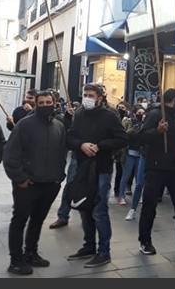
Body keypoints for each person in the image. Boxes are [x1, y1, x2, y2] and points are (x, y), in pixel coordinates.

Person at [3, 90, 68, 275]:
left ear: (55, 103)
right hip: (28, 184)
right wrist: (20, 179)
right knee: (20, 220)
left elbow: (62, 152)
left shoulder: (58, 125)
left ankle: (31, 253)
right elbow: (10, 155)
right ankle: (16, 260)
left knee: (38, 220)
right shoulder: (24, 125)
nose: (46, 105)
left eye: (49, 102)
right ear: (36, 104)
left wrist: (59, 176)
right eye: (42, 102)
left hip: (50, 183)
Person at [65, 82, 129, 268]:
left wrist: (100, 145)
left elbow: (122, 139)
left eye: (91, 95)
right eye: (85, 94)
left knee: (99, 210)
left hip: (102, 168)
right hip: (83, 167)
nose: (87, 98)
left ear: (100, 97)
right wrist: (81, 145)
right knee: (85, 208)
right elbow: (70, 137)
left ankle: (104, 251)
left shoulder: (110, 116)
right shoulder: (79, 114)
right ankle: (89, 245)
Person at [134, 88, 175, 256]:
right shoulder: (155, 114)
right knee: (150, 205)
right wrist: (157, 131)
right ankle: (144, 240)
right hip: (157, 167)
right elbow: (141, 137)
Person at [122, 104, 147, 221]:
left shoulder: (147, 125)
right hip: (135, 153)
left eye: (143, 113)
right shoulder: (131, 122)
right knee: (133, 180)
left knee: (141, 181)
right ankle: (131, 207)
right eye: (139, 113)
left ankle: (148, 207)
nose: (141, 115)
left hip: (144, 154)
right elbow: (127, 135)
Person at [112, 101, 132, 205]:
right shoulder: (115, 118)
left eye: (123, 108)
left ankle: (122, 190)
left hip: (126, 150)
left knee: (126, 172)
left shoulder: (128, 120)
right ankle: (118, 191)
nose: (120, 109)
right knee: (120, 171)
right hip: (119, 151)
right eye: (119, 107)